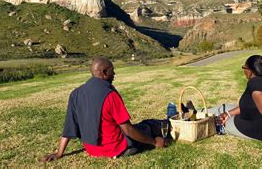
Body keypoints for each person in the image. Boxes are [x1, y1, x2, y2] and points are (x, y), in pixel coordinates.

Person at [42, 57, 170, 162]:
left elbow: (69, 127)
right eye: (112, 71)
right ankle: (172, 120)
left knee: (141, 127)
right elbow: (128, 130)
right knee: (148, 126)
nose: (114, 74)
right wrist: (154, 142)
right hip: (117, 148)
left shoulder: (75, 93)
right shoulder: (110, 95)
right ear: (104, 73)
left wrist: (59, 153)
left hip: (92, 149)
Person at [207, 55, 262, 156]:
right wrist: (228, 113)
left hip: (261, 130)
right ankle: (196, 111)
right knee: (223, 108)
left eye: (244, 68)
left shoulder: (255, 86)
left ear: (249, 71)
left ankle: (201, 119)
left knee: (217, 122)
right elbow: (249, 105)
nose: (244, 71)